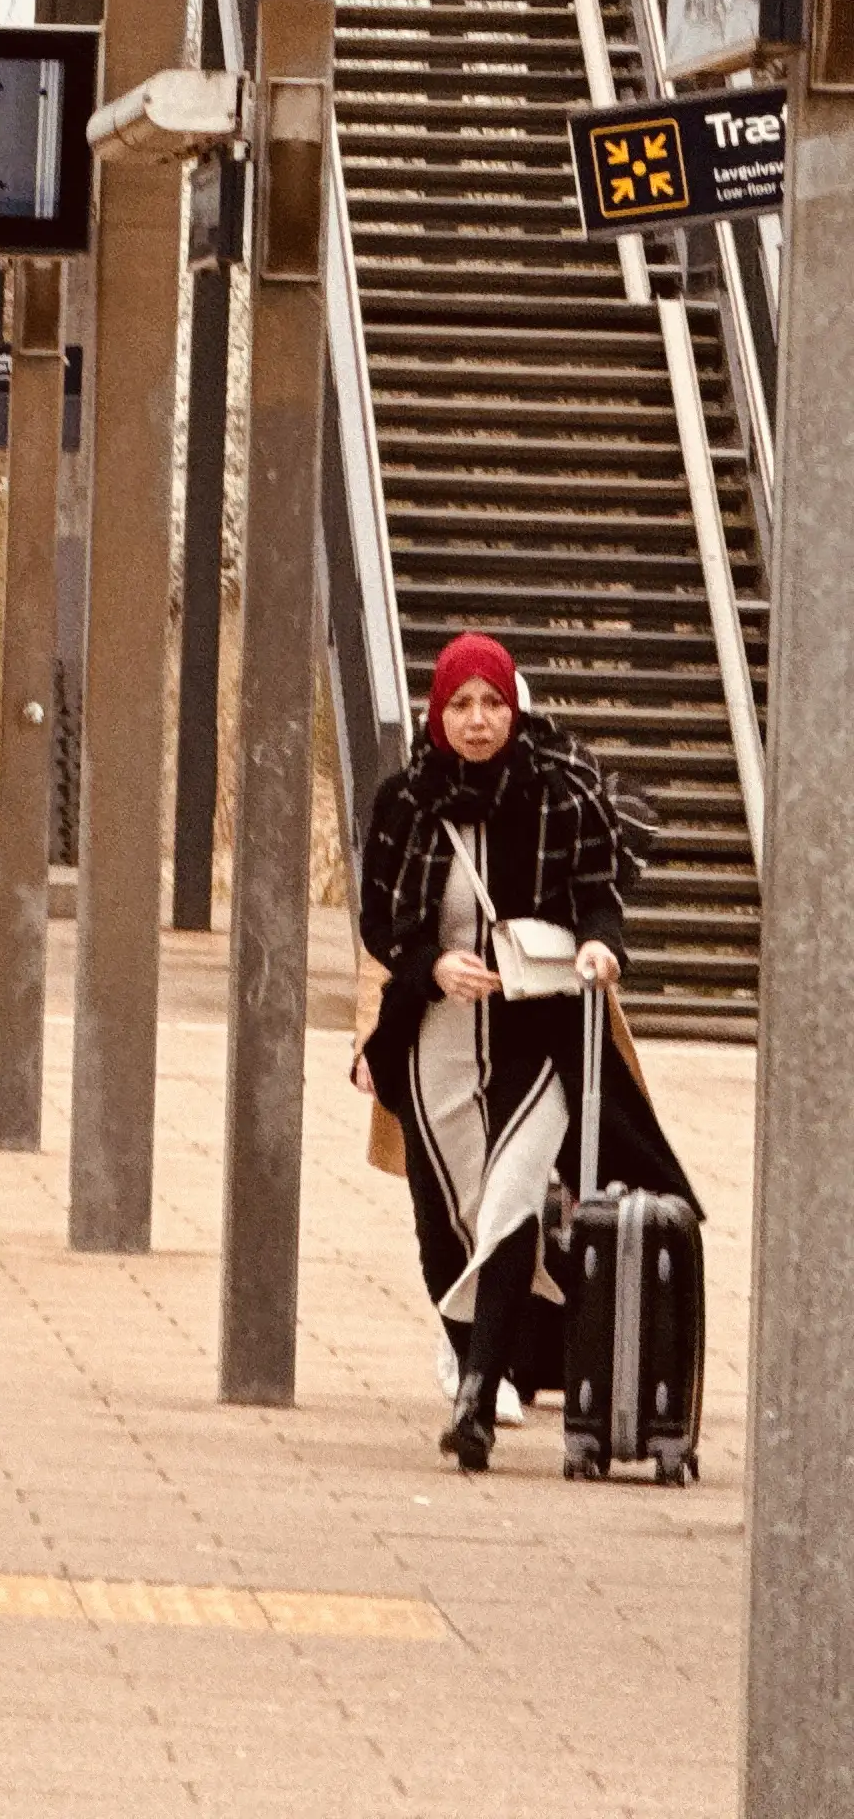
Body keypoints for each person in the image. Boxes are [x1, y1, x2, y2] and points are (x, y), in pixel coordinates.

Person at [351, 629, 692, 1472]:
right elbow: (379, 922)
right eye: (461, 705)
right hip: (434, 1040)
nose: (477, 721)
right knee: (448, 1218)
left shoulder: (560, 792)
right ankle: (474, 1356)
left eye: (493, 704)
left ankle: (475, 1399)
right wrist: (431, 964)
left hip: (536, 1036)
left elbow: (596, 897)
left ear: (514, 708)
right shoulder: (404, 802)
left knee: (508, 1204)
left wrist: (600, 948)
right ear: (438, 715)